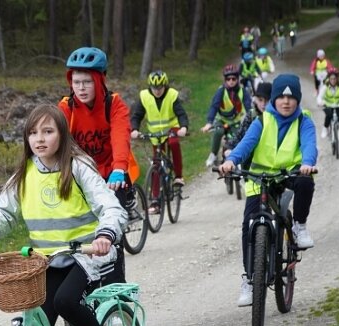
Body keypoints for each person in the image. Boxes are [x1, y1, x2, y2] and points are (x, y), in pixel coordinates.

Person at [0, 104, 127, 326]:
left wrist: (105, 235)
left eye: (47, 131)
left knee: (65, 301)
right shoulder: (24, 174)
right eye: (32, 133)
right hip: (48, 259)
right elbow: (4, 211)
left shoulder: (78, 167)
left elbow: (111, 208)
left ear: (62, 135)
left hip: (86, 255)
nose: (39, 139)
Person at [218, 74, 317, 306]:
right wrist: (231, 160)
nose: (286, 101)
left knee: (306, 182)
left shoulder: (304, 121)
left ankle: (299, 225)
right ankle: (250, 279)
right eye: (281, 96)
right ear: (274, 99)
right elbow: (246, 144)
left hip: (290, 174)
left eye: (291, 97)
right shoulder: (262, 120)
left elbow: (309, 144)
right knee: (248, 224)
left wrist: (307, 163)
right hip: (260, 177)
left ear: (297, 100)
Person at [58, 46, 138, 283]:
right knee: (78, 237)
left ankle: (117, 296)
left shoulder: (113, 104)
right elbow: (55, 141)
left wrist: (118, 168)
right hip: (82, 178)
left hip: (113, 173)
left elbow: (120, 136)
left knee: (111, 238)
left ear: (99, 80)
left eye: (87, 82)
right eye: (76, 81)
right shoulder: (66, 107)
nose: (81, 88)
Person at [129, 70, 189, 214]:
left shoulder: (172, 95)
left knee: (174, 143)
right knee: (156, 165)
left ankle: (179, 177)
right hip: (155, 134)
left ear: (165, 86)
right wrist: (135, 129)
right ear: (150, 87)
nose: (157, 91)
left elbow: (181, 113)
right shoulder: (144, 96)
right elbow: (136, 115)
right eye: (154, 88)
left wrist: (184, 127)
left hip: (171, 129)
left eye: (160, 88)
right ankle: (155, 201)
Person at [201, 64, 252, 167]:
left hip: (235, 121)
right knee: (218, 132)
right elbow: (214, 106)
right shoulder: (221, 91)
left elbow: (249, 108)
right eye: (228, 79)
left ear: (237, 79)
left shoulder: (243, 92)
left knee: (238, 136)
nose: (231, 81)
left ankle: (237, 159)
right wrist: (209, 123)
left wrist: (252, 120)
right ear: (225, 80)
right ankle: (213, 154)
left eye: (234, 78)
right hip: (222, 120)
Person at [225, 82, 272, 162]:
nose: (263, 104)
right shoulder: (252, 114)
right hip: (250, 157)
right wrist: (229, 147)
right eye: (260, 100)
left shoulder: (276, 117)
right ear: (255, 100)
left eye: (267, 100)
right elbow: (240, 135)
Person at [316, 67, 339, 150]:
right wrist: (320, 102)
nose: (333, 80)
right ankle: (325, 128)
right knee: (329, 115)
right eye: (331, 79)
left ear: (337, 78)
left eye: (334, 78)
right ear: (329, 78)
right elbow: (320, 96)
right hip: (328, 105)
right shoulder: (325, 86)